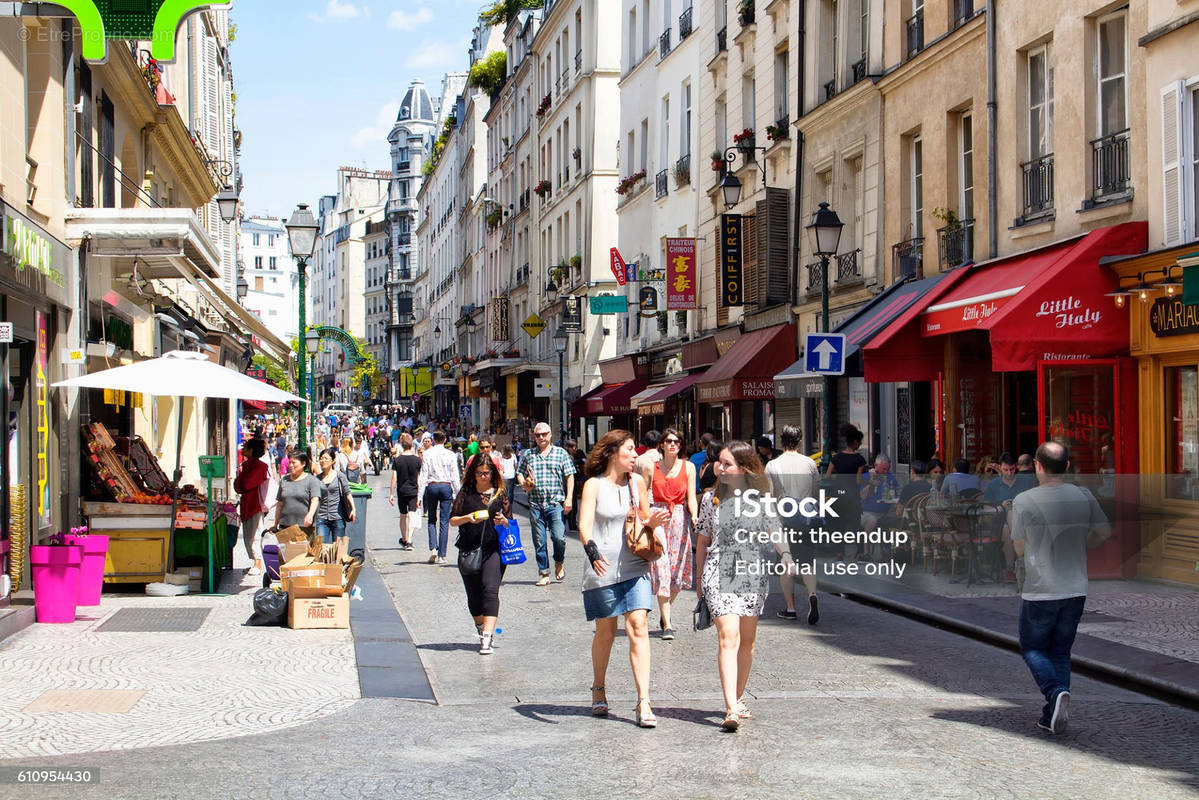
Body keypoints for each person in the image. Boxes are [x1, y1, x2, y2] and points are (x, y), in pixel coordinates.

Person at [1011, 441, 1111, 734]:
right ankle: (1052, 714)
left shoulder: (1025, 500)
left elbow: (1018, 548)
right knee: (1061, 651)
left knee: (1032, 647)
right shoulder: (1083, 495)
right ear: (1067, 466)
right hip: (1076, 586)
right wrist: (1083, 543)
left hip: (1041, 587)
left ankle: (1054, 692)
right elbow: (1103, 532)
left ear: (1037, 467)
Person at [696, 440, 792, 731]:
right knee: (728, 636)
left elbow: (775, 529)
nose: (720, 469)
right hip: (718, 570)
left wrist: (785, 553)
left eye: (727, 464)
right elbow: (702, 540)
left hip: (752, 571)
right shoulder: (710, 499)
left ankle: (737, 698)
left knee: (747, 643)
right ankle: (730, 709)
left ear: (744, 469)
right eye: (720, 463)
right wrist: (699, 581)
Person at [577, 429, 669, 727]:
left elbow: (644, 518)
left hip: (634, 565)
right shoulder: (593, 485)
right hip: (603, 566)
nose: (635, 455)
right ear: (613, 452)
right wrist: (592, 552)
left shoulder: (637, 483)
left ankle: (643, 701)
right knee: (606, 631)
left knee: (638, 625)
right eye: (629, 450)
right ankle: (599, 686)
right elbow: (584, 525)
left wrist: (652, 521)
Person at [448, 453, 512, 655]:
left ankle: (487, 637)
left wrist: (504, 521)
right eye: (479, 473)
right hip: (469, 548)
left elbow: (510, 520)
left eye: (487, 473)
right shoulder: (466, 492)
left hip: (493, 548)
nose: (483, 477)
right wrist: (468, 517)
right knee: (474, 598)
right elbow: (452, 520)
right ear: (473, 474)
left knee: (490, 590)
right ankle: (480, 626)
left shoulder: (500, 493)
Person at [639, 427, 698, 639]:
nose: (673, 444)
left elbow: (691, 497)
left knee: (677, 576)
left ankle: (665, 613)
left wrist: (694, 515)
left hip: (679, 519)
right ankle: (668, 625)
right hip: (659, 518)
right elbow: (642, 495)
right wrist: (647, 519)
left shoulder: (689, 467)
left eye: (677, 441)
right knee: (662, 570)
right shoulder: (650, 467)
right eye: (669, 441)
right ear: (662, 444)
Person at [766, 425, 821, 624]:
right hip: (807, 518)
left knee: (786, 562)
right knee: (807, 561)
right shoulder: (810, 464)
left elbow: (770, 496)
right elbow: (815, 494)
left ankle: (791, 608)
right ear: (800, 441)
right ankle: (812, 594)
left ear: (781, 441)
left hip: (784, 518)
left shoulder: (773, 465)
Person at [516, 422, 576, 586]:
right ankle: (544, 573)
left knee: (559, 538)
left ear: (550, 435)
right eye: (538, 435)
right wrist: (523, 484)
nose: (541, 437)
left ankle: (559, 561)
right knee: (539, 541)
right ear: (534, 437)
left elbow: (570, 475)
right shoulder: (529, 454)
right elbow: (519, 473)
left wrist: (569, 498)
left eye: (544, 434)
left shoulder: (560, 453)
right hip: (535, 504)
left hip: (555, 503)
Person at [417, 431, 461, 564]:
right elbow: (455, 476)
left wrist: (419, 495)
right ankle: (442, 555)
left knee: (431, 519)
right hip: (446, 486)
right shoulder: (450, 455)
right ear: (445, 439)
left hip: (432, 486)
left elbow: (423, 475)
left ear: (434, 440)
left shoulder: (427, 454)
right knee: (444, 521)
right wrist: (458, 493)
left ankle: (433, 549)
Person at [827, 424, 867, 556]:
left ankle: (839, 552)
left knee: (839, 523)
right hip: (852, 495)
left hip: (838, 494)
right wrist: (870, 481)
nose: (860, 444)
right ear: (855, 442)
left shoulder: (836, 457)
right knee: (855, 523)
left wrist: (838, 480)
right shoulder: (859, 459)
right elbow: (858, 480)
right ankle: (859, 551)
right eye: (859, 442)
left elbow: (827, 476)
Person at [233, 438, 270, 576]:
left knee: (254, 534)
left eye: (246, 447)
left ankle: (258, 563)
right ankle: (254, 561)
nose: (243, 449)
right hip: (247, 504)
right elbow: (239, 486)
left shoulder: (260, 466)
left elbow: (246, 484)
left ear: (252, 450)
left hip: (255, 505)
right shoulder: (248, 465)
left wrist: (241, 484)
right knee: (249, 534)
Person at [314, 447, 355, 543]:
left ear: (333, 461)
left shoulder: (340, 476)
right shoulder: (317, 479)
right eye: (321, 458)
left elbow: (347, 493)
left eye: (325, 458)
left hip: (338, 518)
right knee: (321, 548)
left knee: (338, 549)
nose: (322, 461)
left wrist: (353, 509)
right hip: (322, 518)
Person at [274, 451, 321, 535]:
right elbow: (280, 504)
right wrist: (275, 523)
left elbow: (315, 499)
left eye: (294, 462)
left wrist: (310, 515)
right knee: (285, 548)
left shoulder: (312, 480)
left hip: (304, 527)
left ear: (303, 463)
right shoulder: (284, 480)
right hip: (285, 526)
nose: (291, 465)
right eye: (290, 462)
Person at [389, 433, 422, 550]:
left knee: (403, 515)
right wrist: (420, 494)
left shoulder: (397, 460)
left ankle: (403, 538)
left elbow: (394, 478)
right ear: (411, 445)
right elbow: (419, 477)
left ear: (402, 446)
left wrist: (391, 494)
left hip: (402, 490)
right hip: (414, 490)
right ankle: (409, 540)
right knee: (412, 514)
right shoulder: (417, 460)